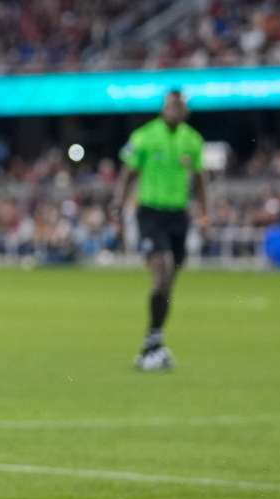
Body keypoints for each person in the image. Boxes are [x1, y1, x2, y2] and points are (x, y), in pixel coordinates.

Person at [111, 88, 209, 371]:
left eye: (180, 106)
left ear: (186, 111)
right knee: (163, 270)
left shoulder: (193, 140)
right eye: (171, 105)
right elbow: (128, 173)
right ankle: (153, 344)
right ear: (164, 108)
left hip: (178, 214)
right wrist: (118, 206)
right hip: (150, 213)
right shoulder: (144, 136)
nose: (175, 110)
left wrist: (204, 213)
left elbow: (200, 179)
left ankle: (152, 344)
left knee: (169, 282)